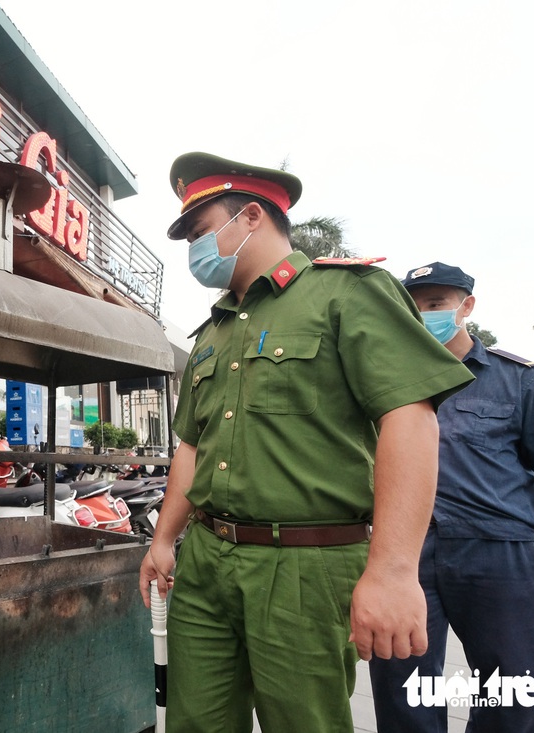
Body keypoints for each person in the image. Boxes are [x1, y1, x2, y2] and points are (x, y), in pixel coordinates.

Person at [139, 152, 474, 733]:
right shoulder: (212, 332)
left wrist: (393, 571)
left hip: (302, 565)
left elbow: (410, 418)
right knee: (196, 723)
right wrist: (164, 540)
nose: (194, 248)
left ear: (248, 217)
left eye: (199, 231)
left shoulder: (344, 294)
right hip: (206, 562)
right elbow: (191, 448)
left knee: (304, 724)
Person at [369, 262, 534, 732]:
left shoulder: (523, 381)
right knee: (405, 690)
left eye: (436, 303)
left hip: (498, 554)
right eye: (414, 305)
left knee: (511, 691)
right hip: (403, 555)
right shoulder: (379, 386)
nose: (424, 314)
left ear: (466, 306)